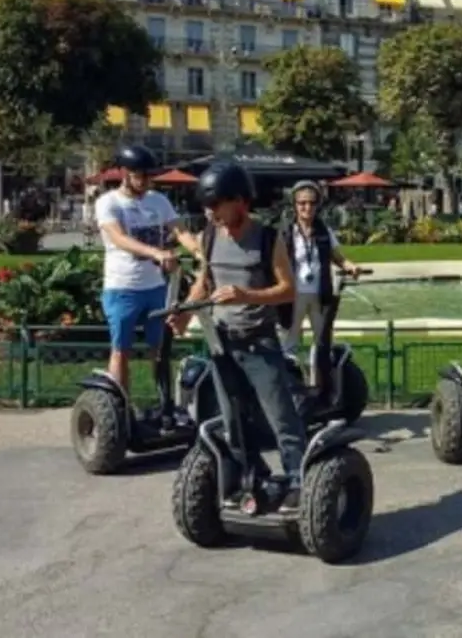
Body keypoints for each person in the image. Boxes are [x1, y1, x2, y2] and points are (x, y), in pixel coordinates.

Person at [167, 162, 307, 510]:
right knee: (232, 418)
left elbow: (288, 290)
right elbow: (205, 281)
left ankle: (296, 479)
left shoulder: (268, 238)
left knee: (280, 415)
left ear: (241, 201)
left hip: (258, 341)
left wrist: (247, 296)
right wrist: (185, 312)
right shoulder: (211, 236)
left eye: (217, 205)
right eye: (207, 206)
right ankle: (251, 476)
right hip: (221, 341)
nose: (210, 212)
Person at [95, 145, 200, 397]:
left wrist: (199, 250)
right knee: (121, 350)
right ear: (124, 173)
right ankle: (120, 408)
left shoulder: (158, 201)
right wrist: (156, 252)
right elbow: (119, 238)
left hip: (155, 288)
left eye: (149, 176)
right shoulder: (108, 203)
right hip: (123, 287)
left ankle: (165, 405)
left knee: (160, 349)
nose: (145, 181)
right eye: (140, 176)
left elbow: (179, 230)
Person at [279, 180, 362, 389]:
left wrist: (350, 266)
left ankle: (320, 386)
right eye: (302, 203)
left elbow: (337, 257)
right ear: (295, 205)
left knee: (322, 342)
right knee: (289, 341)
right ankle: (290, 386)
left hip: (319, 294)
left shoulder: (323, 231)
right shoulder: (287, 232)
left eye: (312, 203)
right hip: (293, 295)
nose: (307, 207)